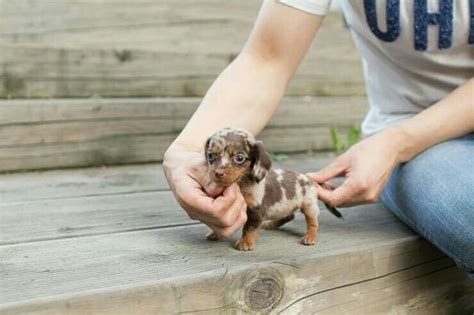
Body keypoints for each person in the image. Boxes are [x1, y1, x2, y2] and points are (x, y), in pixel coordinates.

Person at [163, 0, 474, 276]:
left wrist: (396, 142)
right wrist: (185, 152)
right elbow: (268, 58)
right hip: (414, 136)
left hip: (401, 139)